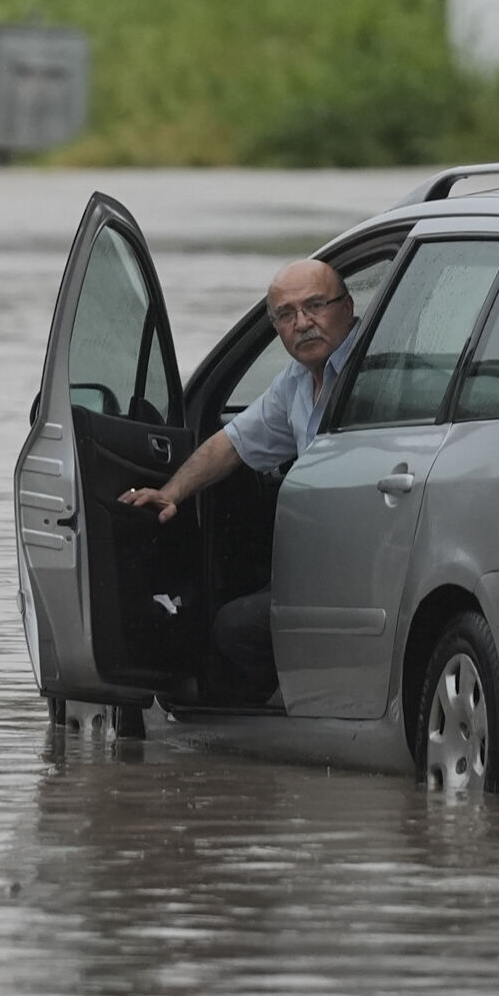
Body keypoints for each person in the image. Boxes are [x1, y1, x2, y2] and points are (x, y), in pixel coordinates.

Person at [118, 257, 362, 707]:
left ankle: (304, 708)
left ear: (347, 307)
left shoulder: (370, 370)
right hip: (321, 563)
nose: (303, 323)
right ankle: (302, 708)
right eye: (286, 315)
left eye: (315, 306)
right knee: (235, 623)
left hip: (366, 558)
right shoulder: (297, 382)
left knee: (236, 627)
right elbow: (231, 443)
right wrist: (171, 492)